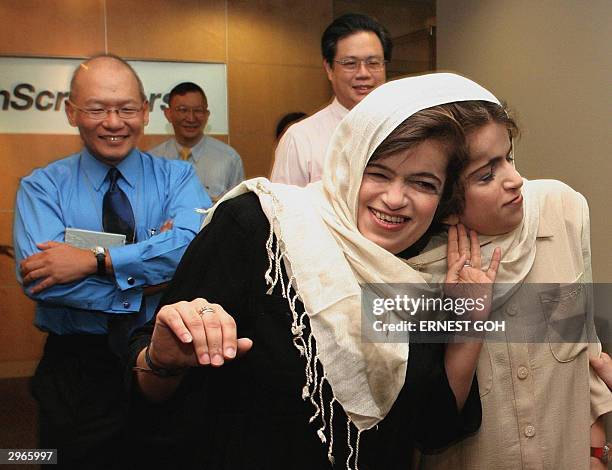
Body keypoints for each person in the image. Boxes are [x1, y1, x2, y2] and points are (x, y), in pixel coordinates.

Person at [127, 73, 504, 469]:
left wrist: (467, 325)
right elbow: (151, 398)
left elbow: (432, 428)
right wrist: (162, 360)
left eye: (424, 183)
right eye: (377, 173)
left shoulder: (420, 270)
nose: (395, 199)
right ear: (347, 164)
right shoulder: (261, 227)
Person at [13, 54, 210, 468]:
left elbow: (192, 250)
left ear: (144, 112)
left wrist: (94, 262)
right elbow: (40, 278)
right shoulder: (42, 187)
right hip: (77, 366)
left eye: (125, 109)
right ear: (71, 112)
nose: (113, 122)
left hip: (163, 352)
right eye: (97, 109)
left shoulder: (179, 178)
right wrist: (152, 271)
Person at [407, 100, 612, 470]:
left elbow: (584, 342)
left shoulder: (561, 209)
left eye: (509, 158)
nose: (515, 180)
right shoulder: (408, 268)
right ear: (445, 203)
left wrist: (597, 450)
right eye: (486, 176)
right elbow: (423, 414)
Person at [270, 13, 391, 186]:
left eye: (373, 63)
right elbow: (282, 211)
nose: (363, 73)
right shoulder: (300, 139)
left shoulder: (405, 130)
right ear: (329, 69)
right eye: (350, 63)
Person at [149, 81, 245, 201]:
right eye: (183, 110)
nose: (191, 118)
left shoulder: (229, 159)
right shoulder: (153, 161)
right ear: (168, 114)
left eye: (198, 111)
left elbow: (237, 211)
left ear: (207, 115)